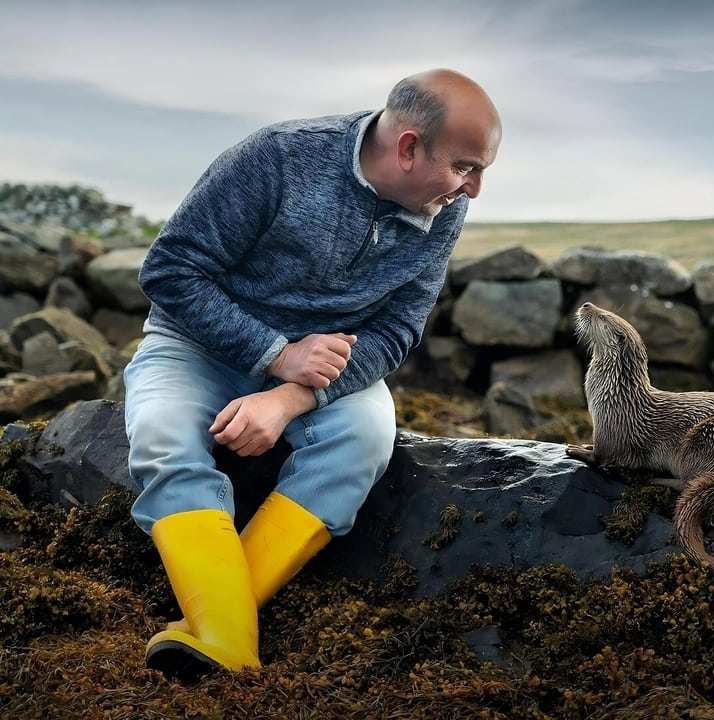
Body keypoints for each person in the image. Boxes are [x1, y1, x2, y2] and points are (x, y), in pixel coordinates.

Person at [122, 68, 501, 680]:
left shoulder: (441, 207)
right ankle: (233, 643)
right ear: (408, 147)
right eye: (465, 167)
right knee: (164, 435)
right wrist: (275, 354)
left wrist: (294, 395)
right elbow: (169, 271)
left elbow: (399, 330)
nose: (474, 189)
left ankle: (218, 626)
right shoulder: (276, 158)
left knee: (367, 438)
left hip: (326, 370)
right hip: (193, 348)